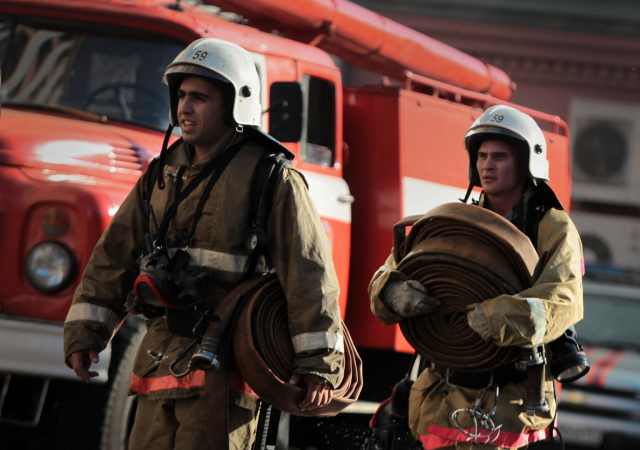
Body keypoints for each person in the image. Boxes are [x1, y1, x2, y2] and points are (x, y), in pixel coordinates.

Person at [63, 38, 344, 449]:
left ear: (235, 104)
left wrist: (319, 364)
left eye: (200, 97)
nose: (184, 108)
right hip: (159, 357)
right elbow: (114, 255)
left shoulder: (271, 178)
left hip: (228, 367)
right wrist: (87, 332)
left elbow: (310, 273)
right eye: (180, 96)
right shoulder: (162, 173)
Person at [368, 105, 584, 449]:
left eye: (500, 156)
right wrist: (392, 292)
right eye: (482, 155)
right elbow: (388, 271)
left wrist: (496, 317)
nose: (487, 164)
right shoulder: (455, 220)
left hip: (510, 407)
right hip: (440, 400)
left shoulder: (552, 227)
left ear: (527, 163)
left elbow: (563, 301)